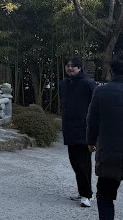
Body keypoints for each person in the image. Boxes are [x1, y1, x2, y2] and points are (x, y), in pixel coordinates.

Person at [87, 56, 123, 220]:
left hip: (109, 152)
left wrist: (90, 141)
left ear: (111, 71)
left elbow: (92, 121)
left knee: (105, 195)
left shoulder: (101, 91)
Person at [59, 57, 96, 208]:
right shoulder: (64, 84)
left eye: (73, 66)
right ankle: (83, 192)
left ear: (79, 68)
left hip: (84, 129)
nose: (70, 68)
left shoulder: (88, 83)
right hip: (69, 127)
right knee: (75, 162)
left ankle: (87, 195)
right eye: (67, 65)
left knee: (83, 163)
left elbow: (96, 106)